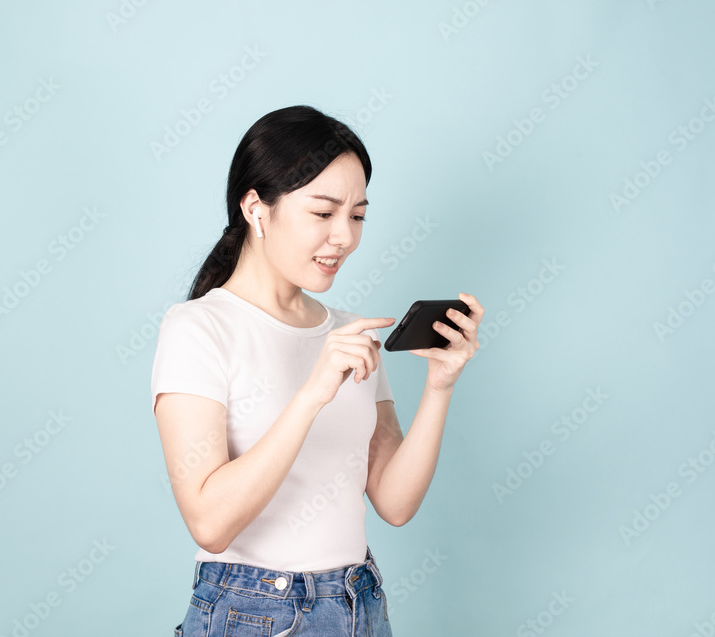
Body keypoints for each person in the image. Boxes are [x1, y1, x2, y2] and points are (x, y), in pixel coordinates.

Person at [151, 105, 483, 636]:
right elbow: (209, 523)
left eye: (357, 216)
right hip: (255, 611)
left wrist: (440, 386)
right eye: (323, 213)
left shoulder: (351, 333)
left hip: (357, 602)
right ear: (257, 209)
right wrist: (311, 396)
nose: (345, 237)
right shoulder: (198, 328)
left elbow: (394, 503)